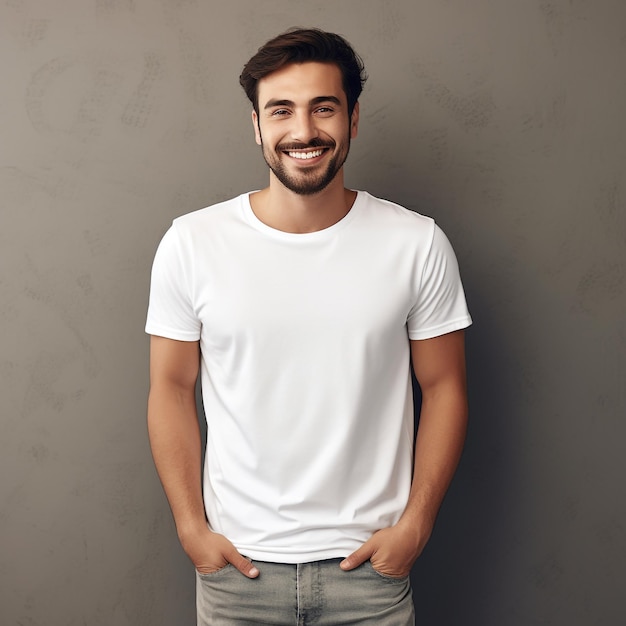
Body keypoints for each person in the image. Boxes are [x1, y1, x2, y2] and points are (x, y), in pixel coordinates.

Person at [146, 28, 472, 625]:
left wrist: (416, 525)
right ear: (256, 124)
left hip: (370, 572)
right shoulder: (192, 243)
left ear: (352, 118)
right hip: (237, 573)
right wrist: (191, 529)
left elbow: (446, 386)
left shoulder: (416, 243)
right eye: (282, 110)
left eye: (324, 107)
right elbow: (169, 388)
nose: (304, 131)